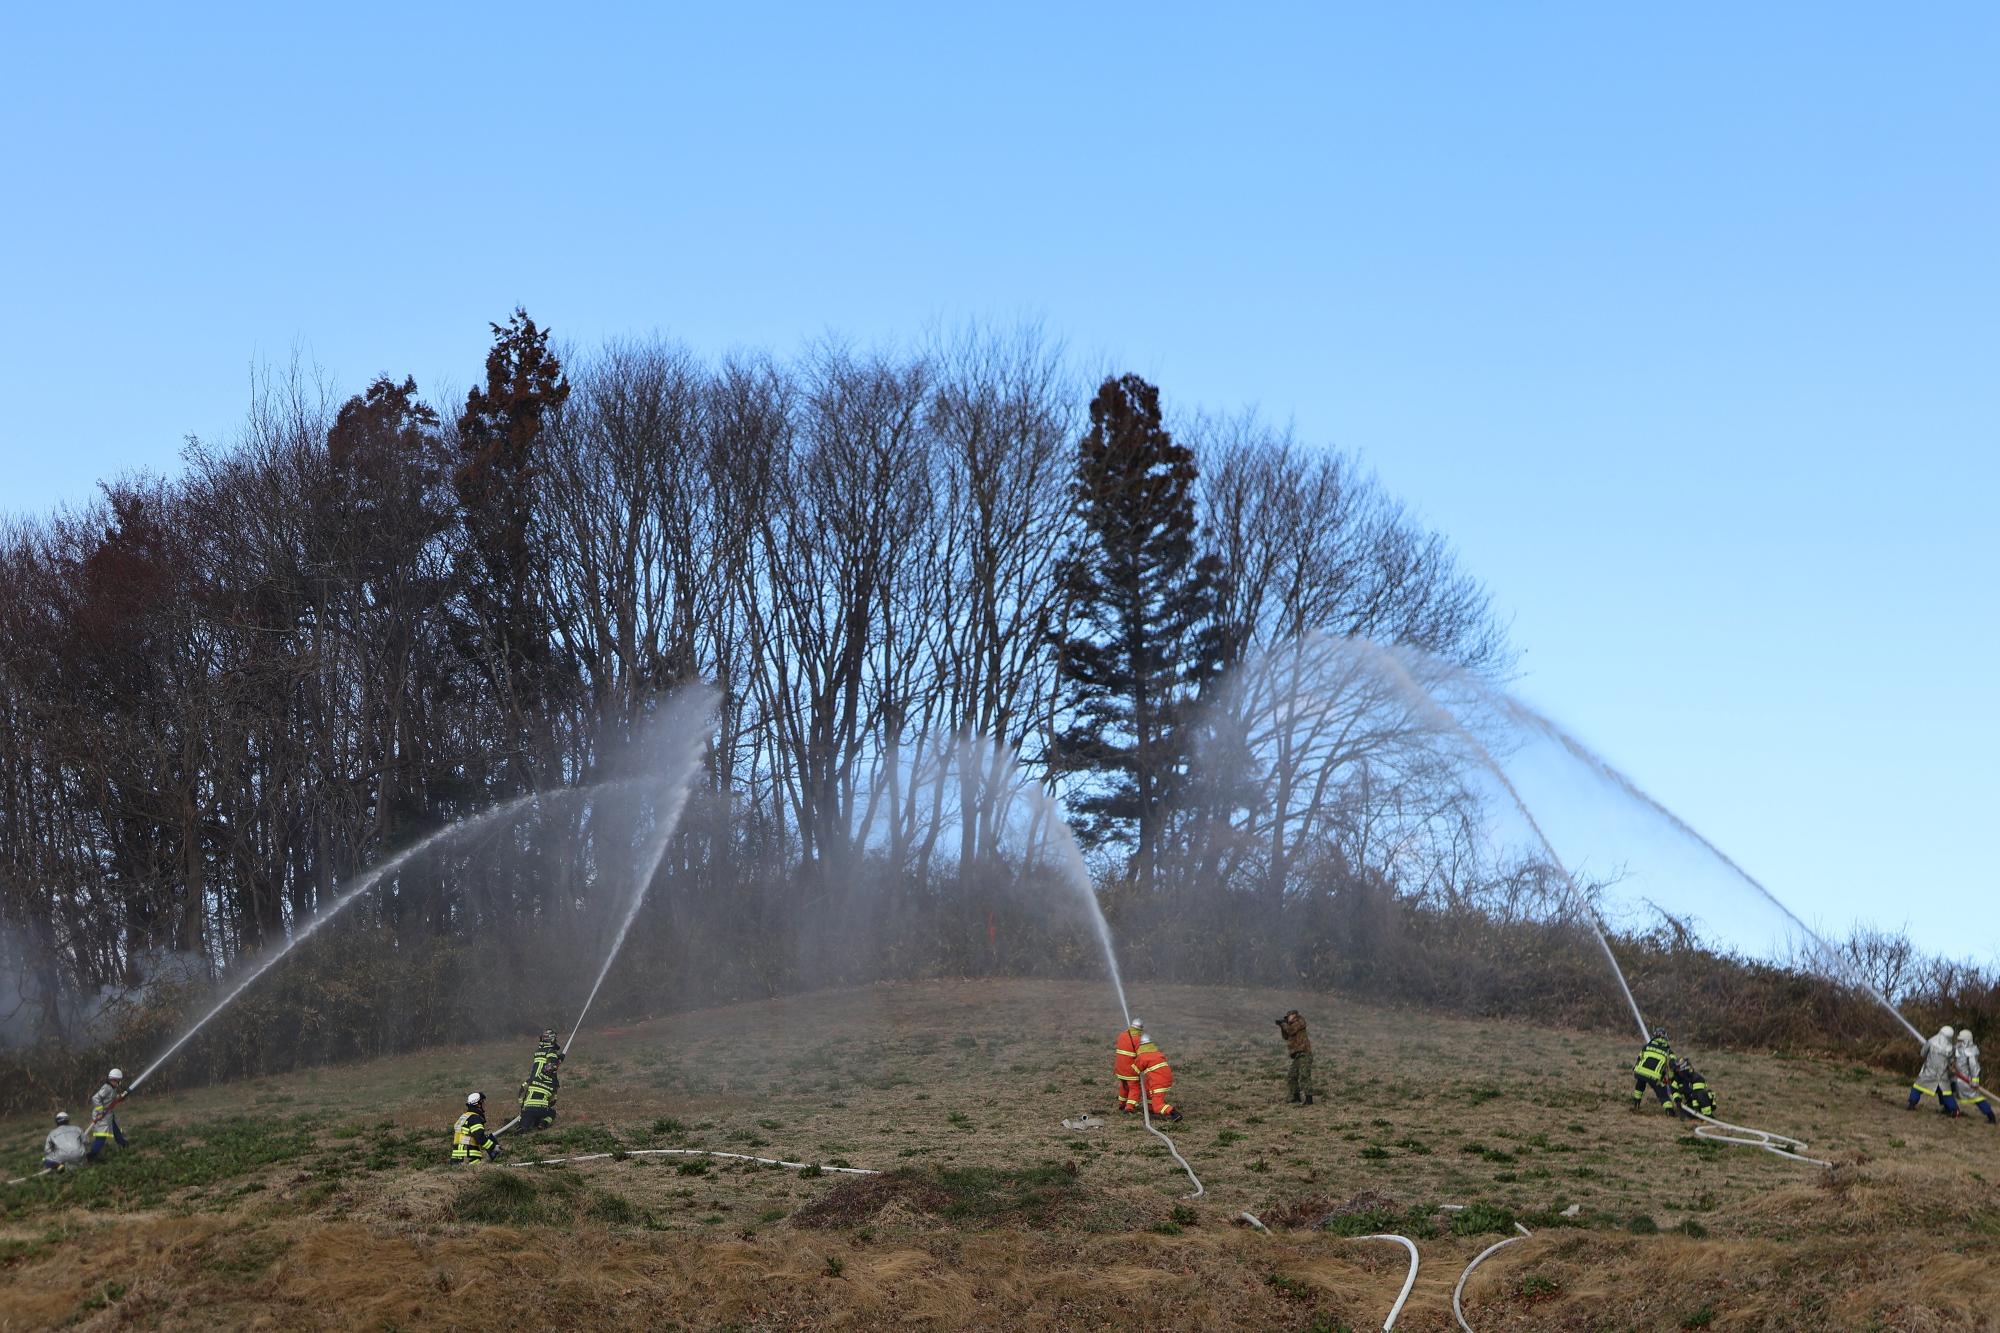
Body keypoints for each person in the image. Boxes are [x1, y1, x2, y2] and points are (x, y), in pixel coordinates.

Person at [1131, 1022, 1181, 1123]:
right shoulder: (1157, 1053)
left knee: (1158, 1106)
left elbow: (1135, 1070)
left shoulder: (1143, 1057)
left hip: (1158, 1082)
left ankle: (1173, 1113)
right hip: (1166, 1079)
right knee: (1148, 1090)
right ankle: (1150, 1109)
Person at [1908, 1025, 1960, 1115]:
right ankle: (1954, 1110)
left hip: (1929, 1072)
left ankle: (1911, 1104)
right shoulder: (1951, 1048)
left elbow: (1922, 1053)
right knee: (1946, 1093)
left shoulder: (1931, 1041)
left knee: (1917, 1088)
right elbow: (1951, 1061)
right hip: (1942, 1075)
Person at [1953, 1029, 1997, 1125]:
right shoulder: (1959, 1048)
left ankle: (1991, 1116)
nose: (1959, 1042)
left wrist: (1974, 1081)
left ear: (1966, 1040)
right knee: (1946, 1090)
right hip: (1958, 1078)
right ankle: (1952, 1110)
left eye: (1961, 1040)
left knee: (1976, 1098)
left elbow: (1975, 1068)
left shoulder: (1970, 1051)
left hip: (1966, 1080)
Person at [85, 1068, 128, 1160]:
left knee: (116, 1129)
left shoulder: (111, 1088)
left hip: (108, 1114)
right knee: (101, 1137)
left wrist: (120, 1097)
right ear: (116, 1080)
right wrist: (100, 1112)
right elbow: (95, 1098)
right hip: (101, 1116)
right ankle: (91, 1156)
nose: (119, 1083)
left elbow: (110, 1099)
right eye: (119, 1081)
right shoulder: (106, 1088)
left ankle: (123, 1144)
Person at [518, 1048, 562, 1133]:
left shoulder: (532, 1079)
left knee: (525, 1121)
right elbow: (553, 1101)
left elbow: (522, 1089)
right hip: (541, 1110)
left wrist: (521, 1103)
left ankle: (523, 1127)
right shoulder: (552, 1085)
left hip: (528, 1109)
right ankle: (543, 1123)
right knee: (552, 1113)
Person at [1276, 1010, 1315, 1105]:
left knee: (1304, 1076)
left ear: (1293, 1015)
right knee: (1292, 1075)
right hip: (1298, 1055)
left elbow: (1291, 1031)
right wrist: (1282, 1026)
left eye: (1288, 1017)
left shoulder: (1300, 1022)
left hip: (1304, 1054)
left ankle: (1309, 1099)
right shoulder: (1291, 1025)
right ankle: (1295, 1097)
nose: (1287, 1019)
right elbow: (1286, 1036)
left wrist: (1283, 1024)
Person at [1630, 1028, 1674, 1112]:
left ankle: (1636, 1103)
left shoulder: (1646, 1047)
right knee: (1662, 1092)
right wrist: (1670, 1079)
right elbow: (1672, 1066)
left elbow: (1639, 1058)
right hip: (1655, 1076)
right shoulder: (1668, 1051)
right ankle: (1669, 1110)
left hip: (1640, 1072)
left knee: (1640, 1084)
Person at [451, 1092, 502, 1162]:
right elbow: (479, 1137)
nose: (484, 1105)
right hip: (468, 1159)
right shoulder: (474, 1118)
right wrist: (493, 1147)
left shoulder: (464, 1116)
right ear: (478, 1104)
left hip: (456, 1159)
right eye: (483, 1102)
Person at [1112, 1019, 1145, 1114]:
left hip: (1119, 1067)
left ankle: (1122, 1104)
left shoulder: (1122, 1035)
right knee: (1134, 1088)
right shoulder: (1138, 1039)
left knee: (1124, 1086)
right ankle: (1129, 1107)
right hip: (1130, 1069)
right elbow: (1141, 1056)